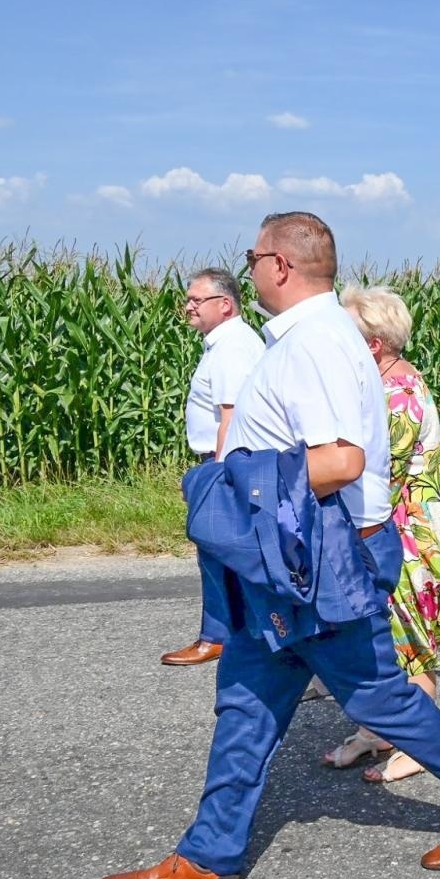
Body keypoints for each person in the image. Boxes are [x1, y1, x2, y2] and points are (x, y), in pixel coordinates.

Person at [100, 213, 440, 879]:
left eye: (252, 255)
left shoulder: (317, 342)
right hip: (291, 558)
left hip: (322, 559)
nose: (250, 267)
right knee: (245, 699)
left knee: (378, 696)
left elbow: (341, 460)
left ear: (280, 264)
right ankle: (209, 855)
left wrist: (233, 486)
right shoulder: (306, 337)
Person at [321, 285, 440, 785]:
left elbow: (382, 475)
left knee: (408, 640)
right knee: (378, 636)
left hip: (407, 532)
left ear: (374, 345)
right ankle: (377, 733)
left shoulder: (398, 396)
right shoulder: (382, 384)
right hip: (391, 523)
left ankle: (420, 746)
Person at [162, 267, 264, 667]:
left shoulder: (232, 347)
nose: (188, 306)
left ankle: (217, 637)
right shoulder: (224, 344)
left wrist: (219, 476)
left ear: (224, 305)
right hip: (226, 461)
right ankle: (232, 635)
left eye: (196, 300)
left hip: (227, 463)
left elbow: (231, 416)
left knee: (216, 549)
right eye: (188, 299)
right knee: (220, 551)